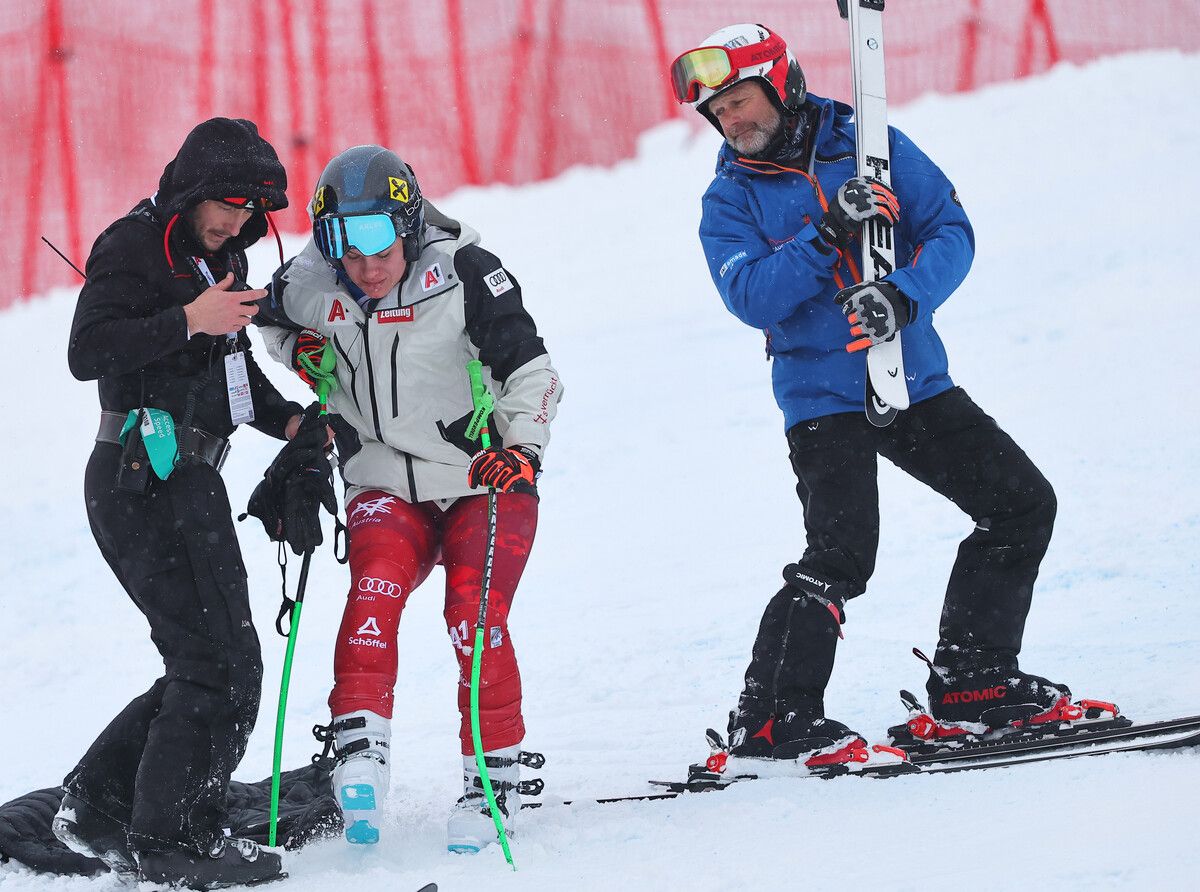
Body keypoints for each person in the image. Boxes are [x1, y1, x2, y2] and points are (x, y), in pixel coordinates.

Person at [671, 24, 1071, 765]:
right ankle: (772, 716)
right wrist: (825, 232)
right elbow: (753, 296)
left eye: (742, 100)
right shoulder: (727, 200)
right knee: (840, 554)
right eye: (719, 112)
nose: (733, 121)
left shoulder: (871, 142)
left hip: (910, 377)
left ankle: (976, 681)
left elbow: (951, 230)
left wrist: (904, 295)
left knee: (1020, 505)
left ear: (781, 83)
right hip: (822, 397)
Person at [256, 145, 562, 852]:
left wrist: (524, 449)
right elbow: (267, 318)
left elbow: (535, 373)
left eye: (375, 238)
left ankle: (493, 784)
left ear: (409, 221)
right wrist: (298, 347)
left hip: (481, 479)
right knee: (374, 587)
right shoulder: (310, 279)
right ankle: (361, 753)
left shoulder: (466, 274)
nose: (362, 262)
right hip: (382, 478)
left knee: (473, 616)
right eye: (341, 241)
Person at [57, 117, 314, 888]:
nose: (235, 222)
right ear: (190, 189)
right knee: (222, 666)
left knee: (203, 660)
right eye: (225, 204)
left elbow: (233, 379)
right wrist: (185, 321)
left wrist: (296, 422)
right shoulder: (133, 246)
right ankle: (173, 842)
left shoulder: (222, 261)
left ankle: (99, 807)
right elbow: (86, 351)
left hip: (187, 480)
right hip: (139, 479)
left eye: (249, 212)